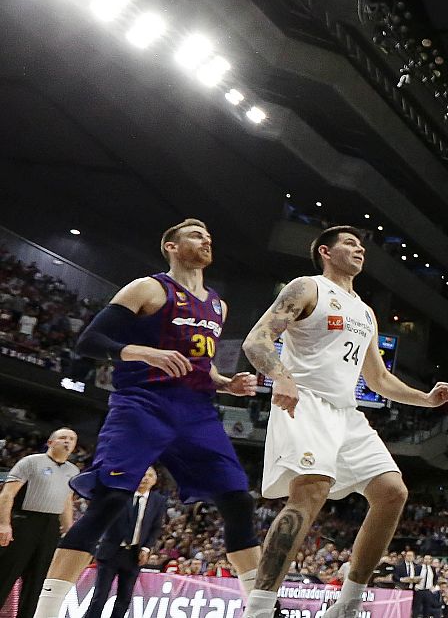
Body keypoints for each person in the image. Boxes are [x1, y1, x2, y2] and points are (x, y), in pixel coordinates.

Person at [31, 219, 262, 618]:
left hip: (196, 411)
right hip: (143, 402)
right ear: (171, 246)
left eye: (208, 235)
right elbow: (90, 342)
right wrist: (143, 352)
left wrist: (226, 383)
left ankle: (260, 607)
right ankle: (47, 610)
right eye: (195, 234)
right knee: (111, 500)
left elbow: (198, 365)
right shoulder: (148, 288)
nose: (206, 239)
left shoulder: (218, 304)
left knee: (238, 499)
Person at [241, 226, 448, 618]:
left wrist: (425, 399)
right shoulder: (307, 287)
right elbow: (256, 340)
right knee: (310, 491)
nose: (359, 248)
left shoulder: (364, 310)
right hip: (304, 401)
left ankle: (348, 605)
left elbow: (378, 380)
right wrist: (282, 377)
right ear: (325, 251)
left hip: (346, 412)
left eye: (361, 245)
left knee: (393, 492)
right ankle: (258, 608)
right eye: (350, 243)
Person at [0, 429, 79, 618]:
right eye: (62, 438)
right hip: (24, 521)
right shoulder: (31, 462)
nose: (67, 441)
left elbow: (67, 502)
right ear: (51, 442)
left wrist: (69, 531)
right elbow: (7, 494)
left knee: (37, 581)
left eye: (72, 439)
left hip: (50, 527)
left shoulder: (73, 470)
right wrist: (4, 524)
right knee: (6, 574)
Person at [83, 467, 165, 618]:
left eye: (149, 475)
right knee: (100, 596)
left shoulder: (158, 501)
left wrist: (147, 548)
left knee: (125, 598)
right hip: (111, 551)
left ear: (154, 480)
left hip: (134, 555)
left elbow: (156, 527)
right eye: (142, 474)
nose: (145, 478)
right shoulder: (121, 494)